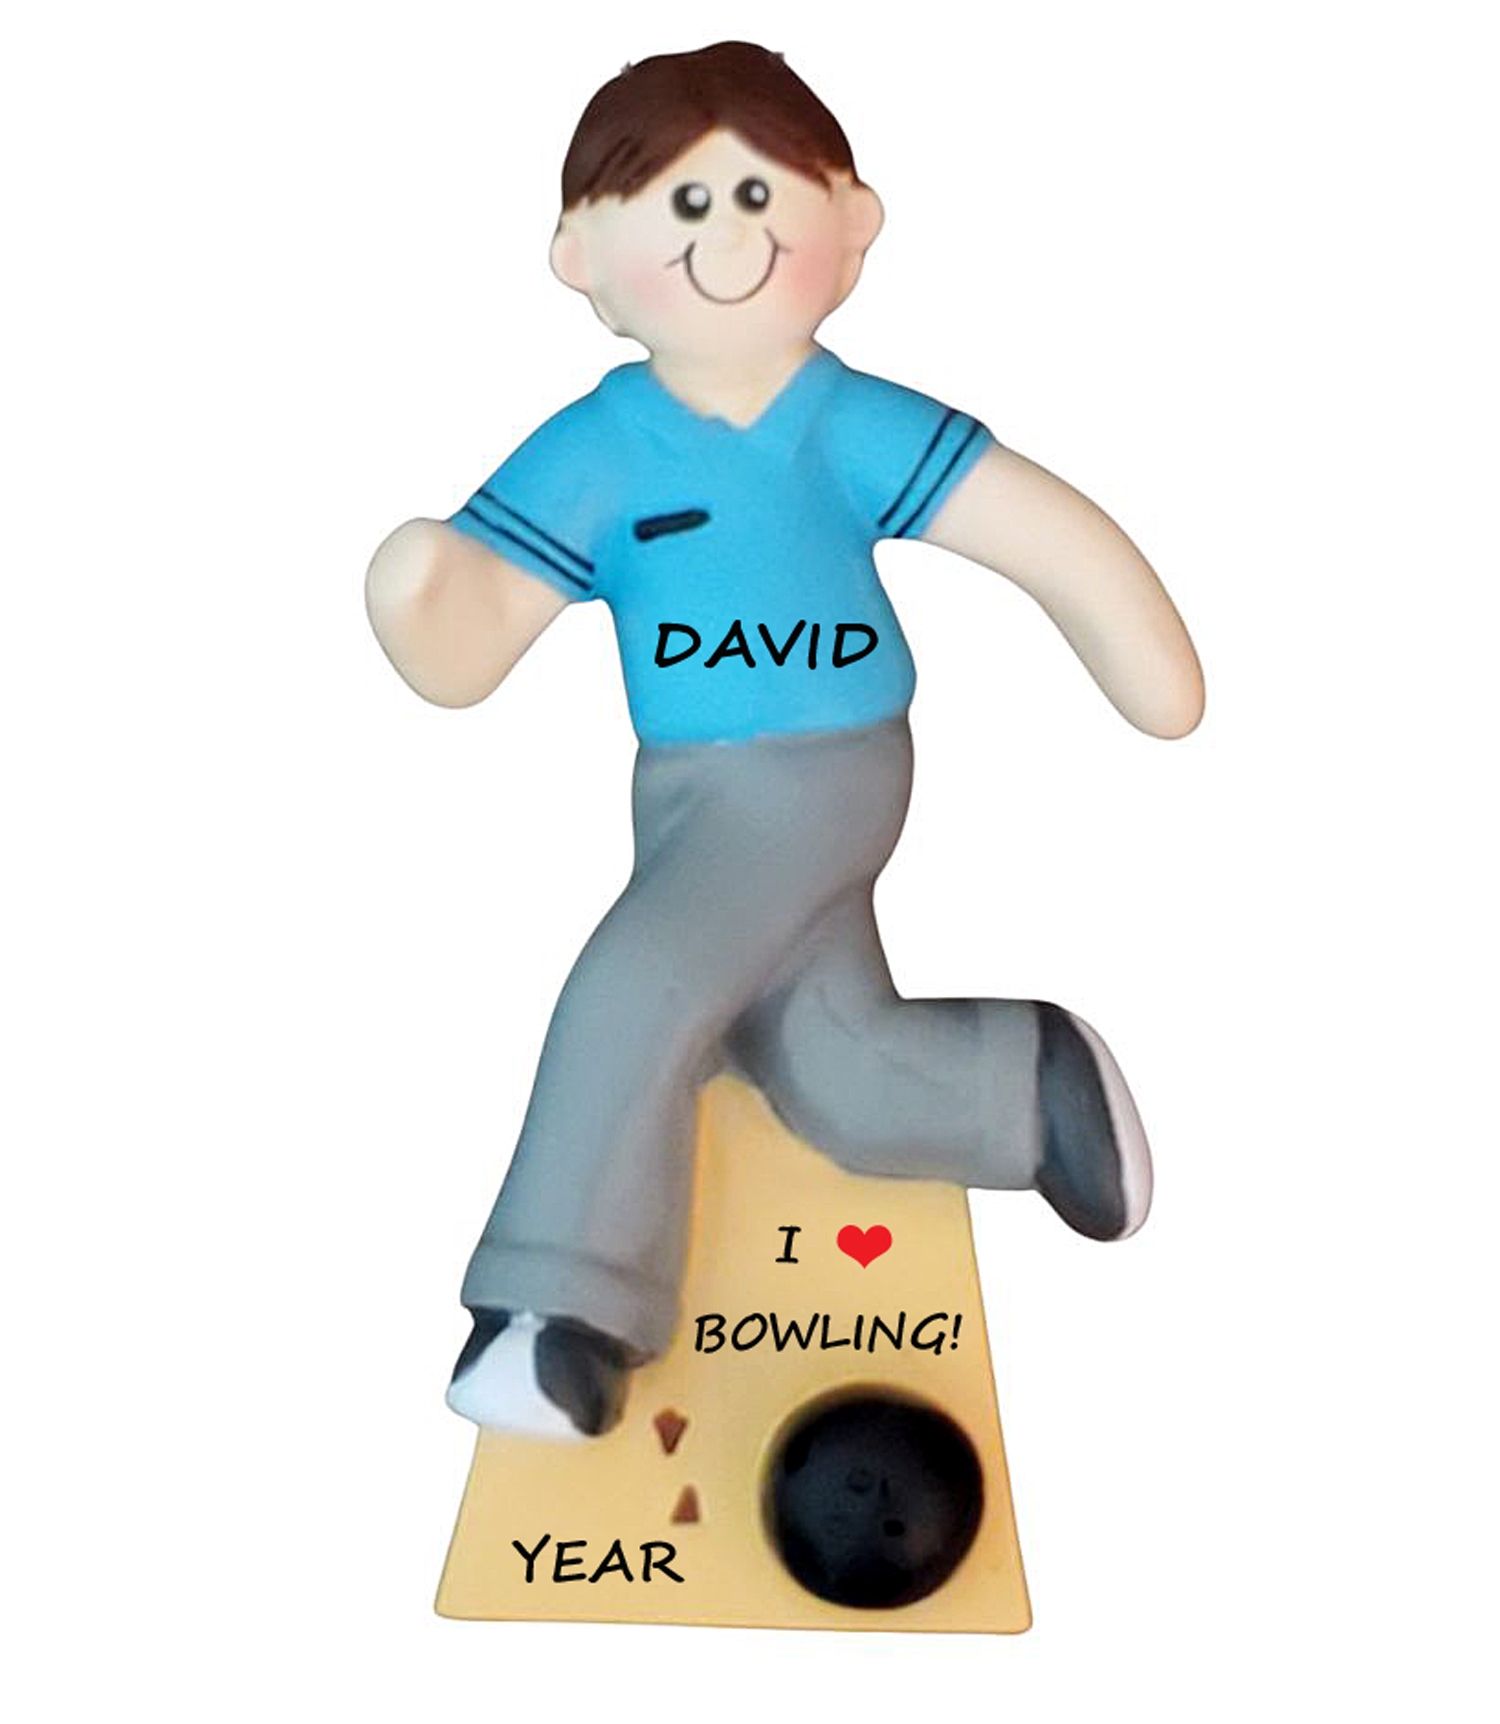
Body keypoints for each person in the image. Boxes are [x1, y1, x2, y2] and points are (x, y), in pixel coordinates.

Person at [366, 41, 1204, 1440]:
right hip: (682, 788)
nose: (728, 237)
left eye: (759, 195)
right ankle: (1021, 1086)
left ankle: (558, 1313)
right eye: (683, 205)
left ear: (850, 222)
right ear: (581, 256)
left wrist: (1143, 663)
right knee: (825, 1066)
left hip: (827, 767)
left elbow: (1034, 528)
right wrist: (420, 597)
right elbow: (478, 632)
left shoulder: (846, 422)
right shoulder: (599, 447)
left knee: (637, 986)